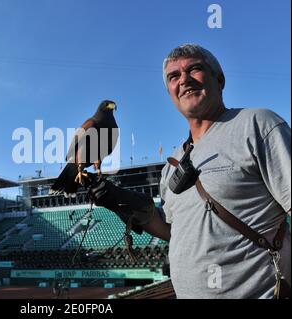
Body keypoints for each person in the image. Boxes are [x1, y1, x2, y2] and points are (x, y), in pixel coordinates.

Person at [85, 44, 291, 299]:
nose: (184, 80)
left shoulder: (257, 125)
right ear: (170, 92)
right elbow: (172, 231)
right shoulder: (173, 164)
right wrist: (126, 204)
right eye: (174, 76)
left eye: (194, 69)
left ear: (219, 79)